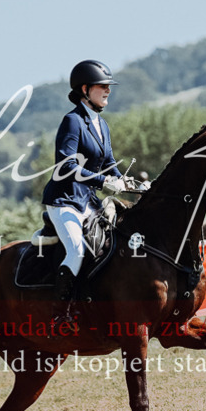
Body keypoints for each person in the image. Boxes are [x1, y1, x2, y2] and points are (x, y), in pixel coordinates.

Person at [42, 60, 128, 320]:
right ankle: (60, 313)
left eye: (108, 86)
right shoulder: (72, 121)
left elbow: (110, 163)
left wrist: (127, 182)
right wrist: (102, 183)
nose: (108, 91)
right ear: (85, 89)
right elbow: (67, 165)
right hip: (64, 201)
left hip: (88, 201)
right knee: (77, 250)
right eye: (102, 86)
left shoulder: (102, 125)